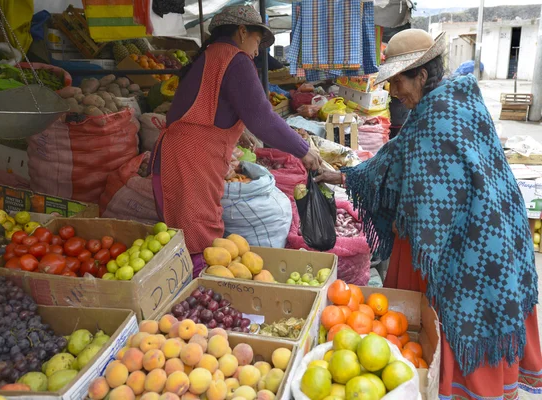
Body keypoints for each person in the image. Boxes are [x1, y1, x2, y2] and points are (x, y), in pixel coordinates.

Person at [317, 29, 542, 398]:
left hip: (471, 236)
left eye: (399, 80)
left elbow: (403, 170)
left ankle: (458, 386)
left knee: (454, 305)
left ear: (422, 74)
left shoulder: (436, 114)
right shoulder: (457, 98)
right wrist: (344, 175)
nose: (394, 91)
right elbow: (400, 159)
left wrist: (345, 175)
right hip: (499, 226)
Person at [150, 5, 321, 277]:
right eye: (257, 41)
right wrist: (304, 151)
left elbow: (214, 107)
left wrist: (240, 129)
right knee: (199, 239)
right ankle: (200, 297)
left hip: (179, 156)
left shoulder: (212, 55)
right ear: (242, 32)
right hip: (190, 162)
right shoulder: (236, 59)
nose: (257, 51)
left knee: (182, 235)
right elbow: (262, 117)